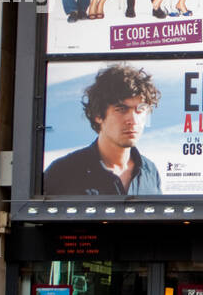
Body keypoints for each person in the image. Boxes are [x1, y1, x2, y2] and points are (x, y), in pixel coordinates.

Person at [43, 64, 162, 196]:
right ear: (98, 115)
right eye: (121, 109)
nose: (133, 120)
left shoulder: (150, 172)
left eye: (140, 110)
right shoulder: (62, 173)